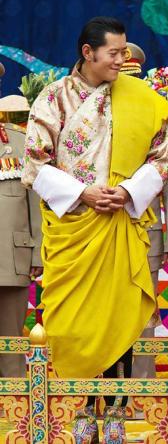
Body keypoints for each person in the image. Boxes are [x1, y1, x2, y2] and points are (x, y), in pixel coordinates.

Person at [21, 17, 168, 443]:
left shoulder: (142, 99)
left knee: (118, 317)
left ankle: (118, 409)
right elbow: (35, 162)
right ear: (87, 53)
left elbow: (160, 159)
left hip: (120, 222)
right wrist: (83, 194)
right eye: (114, 53)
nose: (122, 59)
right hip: (73, 227)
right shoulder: (54, 99)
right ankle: (86, 403)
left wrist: (126, 192)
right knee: (76, 321)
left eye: (125, 51)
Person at [121, 42, 168, 382]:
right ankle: (100, 393)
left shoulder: (158, 112)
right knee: (103, 310)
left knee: (145, 313)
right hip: (96, 229)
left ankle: (139, 393)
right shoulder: (89, 111)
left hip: (144, 229)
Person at [0, 93, 42, 378]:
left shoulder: (19, 142)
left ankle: (12, 409)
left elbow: (36, 204)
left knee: (11, 340)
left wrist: (38, 252)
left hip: (10, 256)